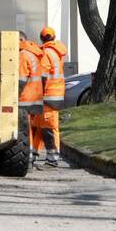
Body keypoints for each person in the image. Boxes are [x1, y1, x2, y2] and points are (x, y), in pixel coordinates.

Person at [39, 26, 69, 168]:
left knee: (49, 127)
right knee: (47, 125)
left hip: (48, 94)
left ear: (41, 38)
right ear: (54, 37)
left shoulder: (46, 53)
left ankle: (52, 160)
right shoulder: (57, 53)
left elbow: (43, 76)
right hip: (56, 93)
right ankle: (41, 156)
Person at [18, 32, 45, 166]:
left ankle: (27, 155)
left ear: (21, 40)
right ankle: (33, 154)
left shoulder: (23, 55)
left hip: (25, 96)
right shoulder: (34, 53)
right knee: (34, 127)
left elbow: (21, 79)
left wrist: (13, 95)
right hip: (36, 95)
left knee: (24, 126)